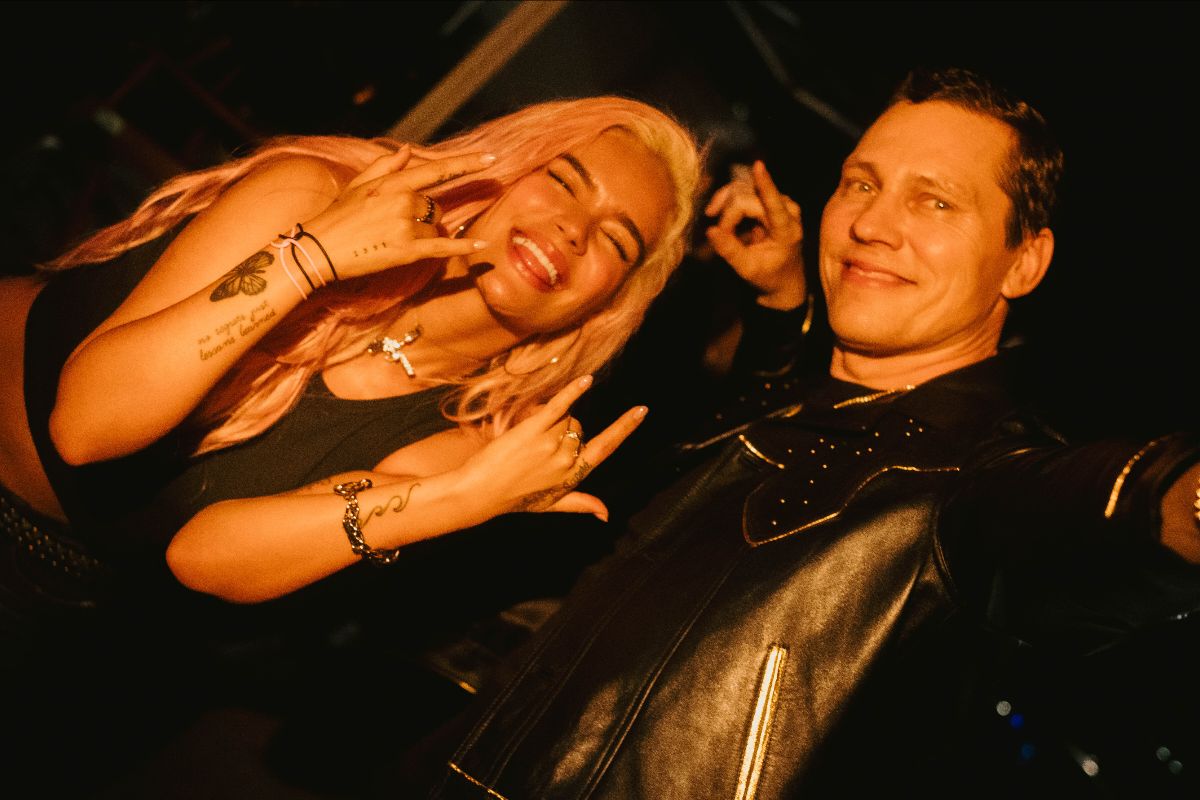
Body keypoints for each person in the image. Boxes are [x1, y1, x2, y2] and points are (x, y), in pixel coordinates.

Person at [421, 67, 1200, 798]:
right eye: (861, 183)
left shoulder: (982, 482)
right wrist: (782, 294)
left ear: (1023, 262)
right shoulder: (799, 402)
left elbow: (1123, 501)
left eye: (935, 202)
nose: (872, 223)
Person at [0, 95, 701, 792]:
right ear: (506, 169)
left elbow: (202, 557)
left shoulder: (463, 447)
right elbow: (88, 426)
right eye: (564, 181)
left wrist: (460, 500)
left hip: (50, 592)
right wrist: (310, 260)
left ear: (608, 304)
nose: (575, 230)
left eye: (616, 242)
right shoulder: (315, 197)